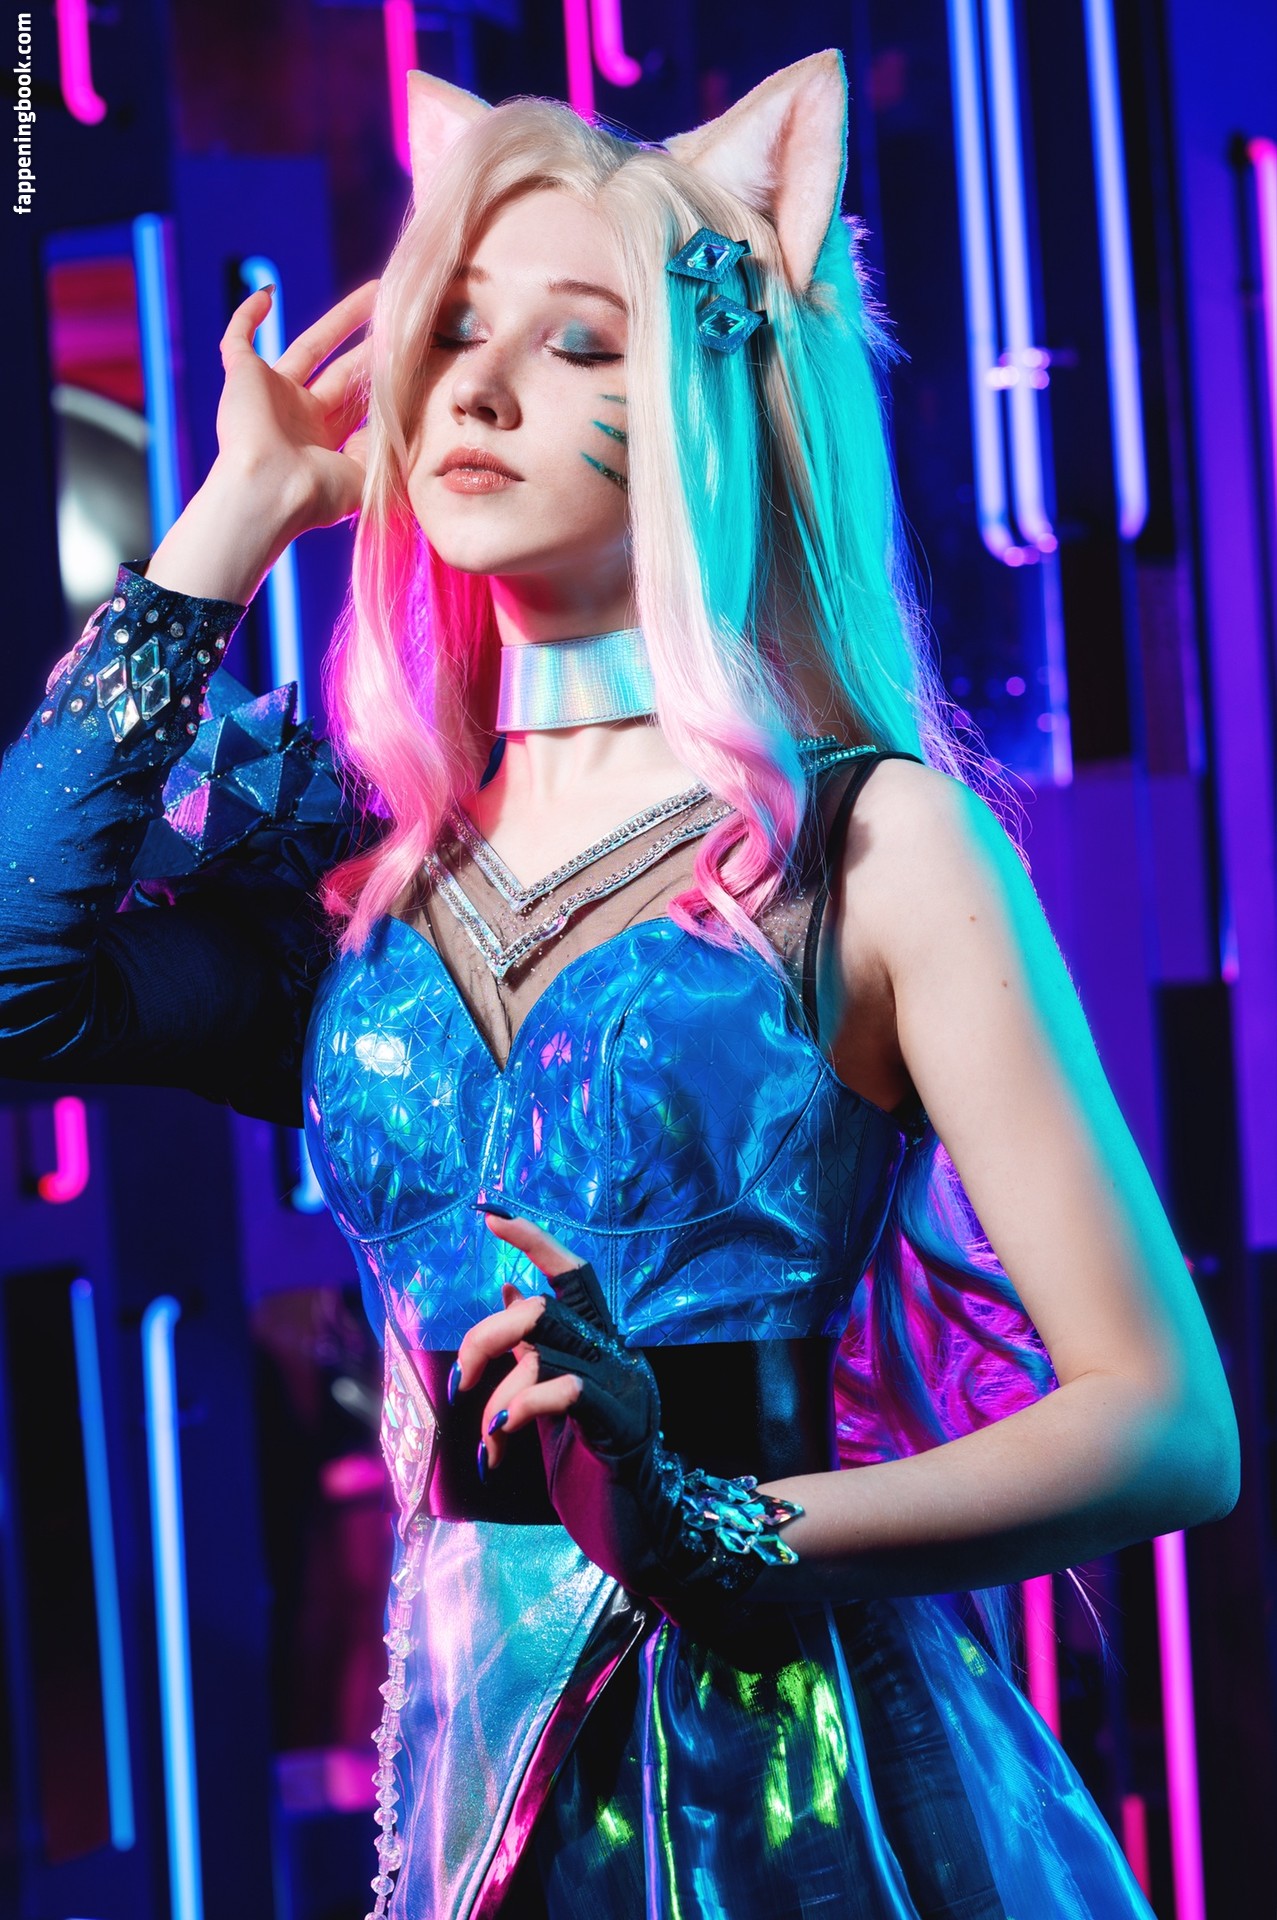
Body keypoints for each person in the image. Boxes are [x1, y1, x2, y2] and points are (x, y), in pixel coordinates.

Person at [0, 48, 1238, 1920]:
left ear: (709, 400)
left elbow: (1164, 1425)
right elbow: (19, 979)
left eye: (578, 342)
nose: (479, 386)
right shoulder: (362, 870)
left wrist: (702, 1525)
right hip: (468, 1778)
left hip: (806, 1791)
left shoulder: (872, 844)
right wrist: (234, 517)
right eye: (451, 330)